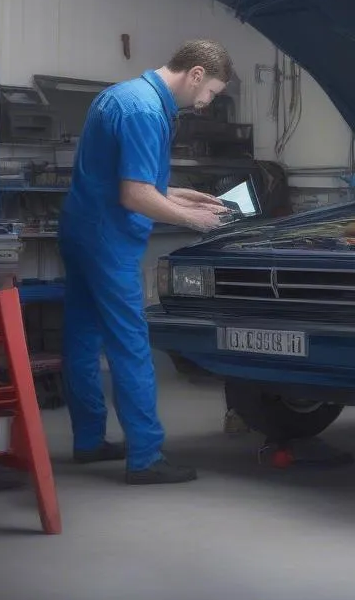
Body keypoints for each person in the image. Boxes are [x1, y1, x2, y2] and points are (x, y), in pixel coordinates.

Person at [59, 40, 233, 484]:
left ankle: (88, 440)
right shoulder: (146, 113)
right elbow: (134, 195)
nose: (206, 102)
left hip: (80, 230)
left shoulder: (121, 95)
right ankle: (146, 457)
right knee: (130, 343)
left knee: (82, 337)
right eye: (211, 92)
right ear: (195, 74)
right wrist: (196, 221)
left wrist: (181, 194)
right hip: (109, 241)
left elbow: (133, 180)